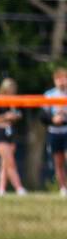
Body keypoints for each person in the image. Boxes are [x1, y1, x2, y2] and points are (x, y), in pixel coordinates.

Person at [0, 78, 26, 196]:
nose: (12, 92)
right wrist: (5, 116)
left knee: (5, 164)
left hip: (10, 132)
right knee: (10, 161)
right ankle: (19, 188)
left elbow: (18, 114)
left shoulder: (12, 100)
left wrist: (15, 116)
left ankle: (1, 190)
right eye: (10, 90)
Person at [42, 67, 67, 197]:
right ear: (54, 80)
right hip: (54, 131)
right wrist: (53, 119)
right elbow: (43, 116)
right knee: (58, 161)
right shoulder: (49, 94)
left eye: (64, 78)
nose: (62, 81)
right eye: (59, 79)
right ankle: (63, 189)